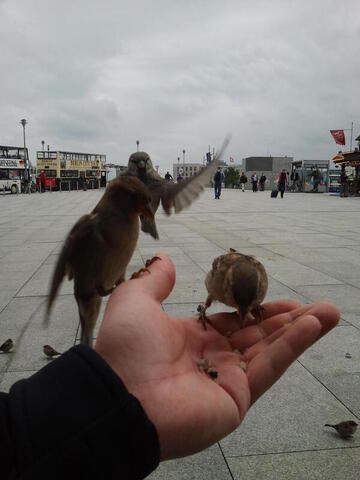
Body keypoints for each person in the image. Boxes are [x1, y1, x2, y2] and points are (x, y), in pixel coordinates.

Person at [0, 253, 339, 479]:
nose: (244, 310)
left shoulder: (257, 281)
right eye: (238, 302)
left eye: (251, 304)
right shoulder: (223, 274)